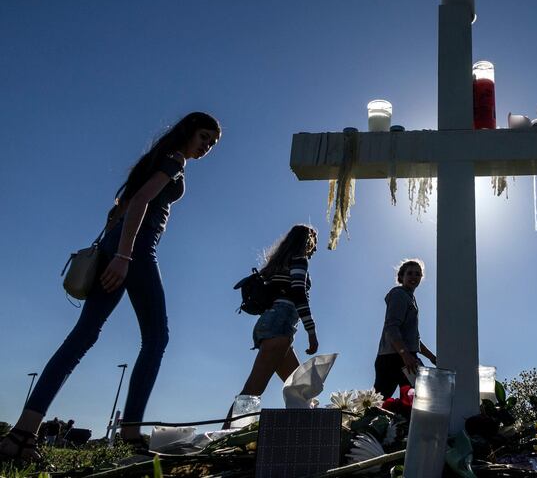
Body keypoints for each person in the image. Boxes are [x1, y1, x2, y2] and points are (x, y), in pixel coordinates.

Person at [0, 112, 221, 461]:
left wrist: (111, 249)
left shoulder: (155, 158)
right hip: (136, 249)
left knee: (84, 335)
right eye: (204, 136)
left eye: (213, 142)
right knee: (156, 337)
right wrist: (124, 255)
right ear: (189, 131)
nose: (207, 145)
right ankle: (131, 435)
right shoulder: (174, 160)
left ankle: (21, 435)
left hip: (117, 246)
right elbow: (139, 203)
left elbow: (116, 210)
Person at [223, 225, 319, 428]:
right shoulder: (299, 260)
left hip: (272, 325)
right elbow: (298, 293)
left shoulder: (277, 263)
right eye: (314, 242)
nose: (315, 248)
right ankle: (223, 440)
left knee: (301, 391)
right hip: (280, 326)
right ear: (307, 241)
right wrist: (311, 331)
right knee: (252, 391)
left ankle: (307, 437)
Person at [373, 259, 436, 399]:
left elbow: (415, 339)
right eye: (410, 273)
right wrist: (405, 355)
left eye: (417, 274)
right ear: (401, 277)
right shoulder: (398, 294)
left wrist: (433, 358)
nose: (414, 277)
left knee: (417, 400)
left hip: (407, 357)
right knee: (378, 403)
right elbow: (392, 327)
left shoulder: (410, 299)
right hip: (392, 358)